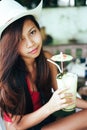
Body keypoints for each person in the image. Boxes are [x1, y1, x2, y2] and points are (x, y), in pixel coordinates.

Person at [0, 0, 87, 130]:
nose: (30, 43)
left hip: (48, 121)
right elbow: (13, 127)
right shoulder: (6, 75)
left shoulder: (47, 59)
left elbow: (65, 95)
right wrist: (50, 107)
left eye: (32, 32)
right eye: (19, 40)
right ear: (9, 45)